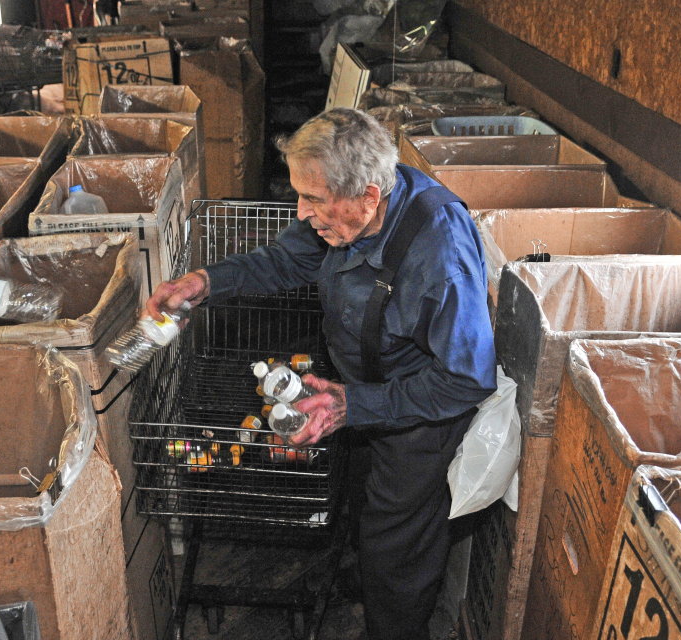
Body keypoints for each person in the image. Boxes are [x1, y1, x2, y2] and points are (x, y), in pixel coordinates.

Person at [145, 108, 497, 639]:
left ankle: (393, 624)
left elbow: (467, 378)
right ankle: (369, 581)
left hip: (419, 413)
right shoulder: (336, 215)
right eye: (299, 194)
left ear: (369, 198)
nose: (301, 211)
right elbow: (283, 262)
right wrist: (205, 281)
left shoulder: (439, 256)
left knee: (397, 549)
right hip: (358, 388)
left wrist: (354, 406)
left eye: (314, 199)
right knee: (361, 506)